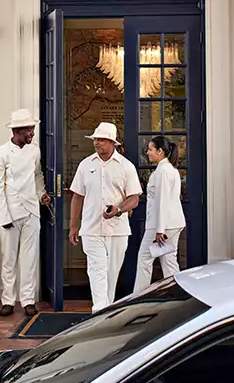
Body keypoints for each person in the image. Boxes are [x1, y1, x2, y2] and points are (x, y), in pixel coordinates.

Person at [68, 122, 142, 313]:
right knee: (96, 270)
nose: (97, 143)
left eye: (101, 140)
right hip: (91, 228)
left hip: (118, 230)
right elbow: (77, 196)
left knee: (111, 273)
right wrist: (73, 226)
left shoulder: (126, 167)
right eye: (95, 139)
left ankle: (105, 311)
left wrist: (118, 209)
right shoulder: (85, 165)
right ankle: (99, 310)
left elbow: (134, 198)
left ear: (112, 142)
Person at [0, 108, 50, 317]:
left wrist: (42, 194)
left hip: (32, 211)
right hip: (10, 213)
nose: (32, 133)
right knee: (9, 259)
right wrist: (4, 216)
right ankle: (7, 300)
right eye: (29, 130)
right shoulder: (1, 153)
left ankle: (28, 300)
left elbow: (37, 175)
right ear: (17, 130)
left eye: (33, 129)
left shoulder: (34, 151)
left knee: (30, 258)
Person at [133, 135, 187, 293]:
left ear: (160, 151)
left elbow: (163, 201)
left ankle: (138, 298)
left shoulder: (162, 172)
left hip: (161, 225)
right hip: (173, 223)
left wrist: (159, 230)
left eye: (150, 150)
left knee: (144, 259)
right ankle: (178, 295)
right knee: (169, 260)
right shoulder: (171, 170)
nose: (147, 153)